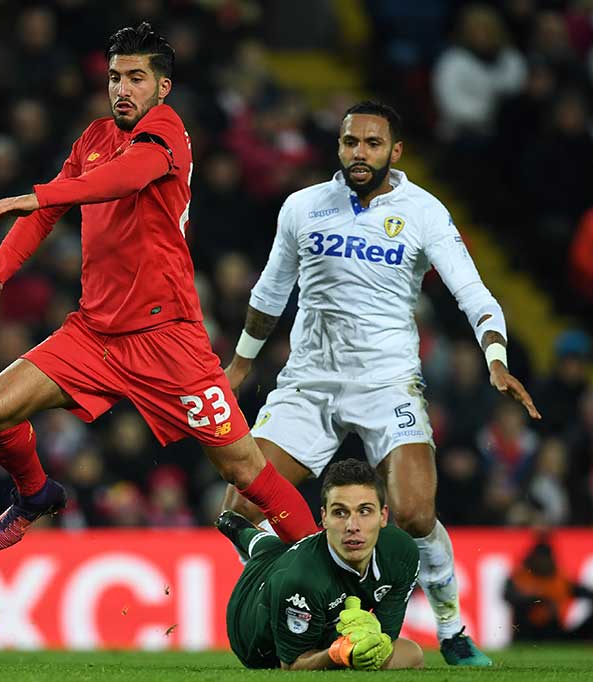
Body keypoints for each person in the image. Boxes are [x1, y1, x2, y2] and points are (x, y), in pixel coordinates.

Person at [0, 23, 318, 552]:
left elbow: (123, 180)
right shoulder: (94, 139)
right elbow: (55, 210)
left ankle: (334, 578)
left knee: (245, 469)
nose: (122, 89)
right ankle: (36, 494)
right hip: (95, 334)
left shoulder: (166, 133)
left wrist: (36, 195)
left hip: (167, 337)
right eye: (114, 78)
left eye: (135, 78)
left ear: (161, 87)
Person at [221, 100, 541, 666]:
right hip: (308, 382)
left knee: (415, 514)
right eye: (350, 143)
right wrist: (242, 363)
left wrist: (495, 356)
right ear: (338, 148)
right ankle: (296, 618)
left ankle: (452, 628)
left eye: (371, 144)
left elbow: (473, 293)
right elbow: (270, 292)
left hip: (388, 382)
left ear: (395, 151)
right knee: (240, 509)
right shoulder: (303, 206)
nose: (358, 154)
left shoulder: (423, 212)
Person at [220, 459, 424, 671]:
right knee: (269, 553)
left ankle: (243, 531)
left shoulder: (401, 553)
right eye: (340, 512)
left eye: (364, 511)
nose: (352, 526)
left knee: (413, 654)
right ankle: (238, 528)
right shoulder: (300, 580)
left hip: (317, 606)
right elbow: (292, 665)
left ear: (383, 516)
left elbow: (385, 639)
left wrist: (367, 643)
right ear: (324, 518)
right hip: (254, 634)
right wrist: (339, 653)